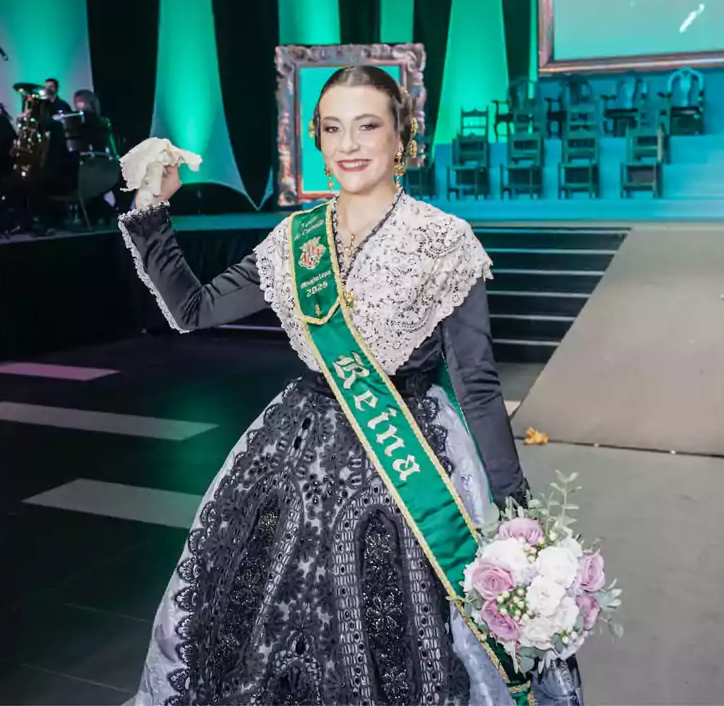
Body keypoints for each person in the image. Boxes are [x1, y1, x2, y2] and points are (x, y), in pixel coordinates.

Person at [118, 67, 584, 706]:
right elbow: (192, 309)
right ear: (316, 138)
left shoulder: (444, 241)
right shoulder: (294, 242)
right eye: (333, 128)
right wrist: (152, 209)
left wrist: (513, 512)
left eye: (368, 125)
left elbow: (476, 385)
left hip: (406, 469)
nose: (349, 144)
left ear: (402, 137)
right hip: (291, 460)